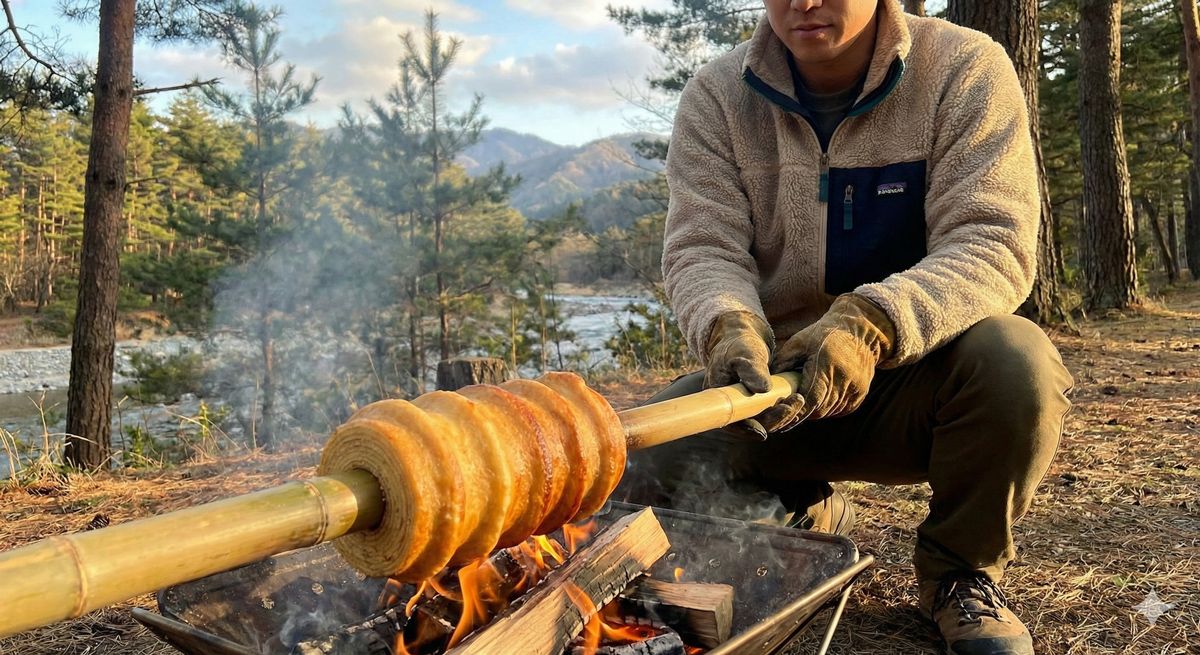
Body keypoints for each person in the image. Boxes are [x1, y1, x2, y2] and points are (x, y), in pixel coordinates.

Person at [615, 1, 1074, 654]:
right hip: (771, 397)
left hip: (923, 382)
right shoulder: (717, 97)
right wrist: (728, 327)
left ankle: (958, 573)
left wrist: (868, 327)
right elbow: (702, 247)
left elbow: (991, 241)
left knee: (1016, 366)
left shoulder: (964, 69)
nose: (803, 4)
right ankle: (802, 515)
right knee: (632, 472)